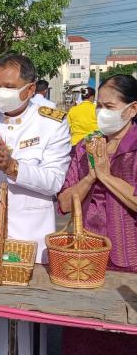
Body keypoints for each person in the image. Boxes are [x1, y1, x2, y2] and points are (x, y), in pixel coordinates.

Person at [0, 54, 71, 355]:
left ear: (30, 89)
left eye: (9, 86)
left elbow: (53, 181)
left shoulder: (51, 122)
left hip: (28, 239)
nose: (0, 92)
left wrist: (13, 167)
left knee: (29, 327)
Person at [57, 74, 137, 355]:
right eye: (98, 107)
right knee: (83, 337)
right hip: (85, 260)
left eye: (110, 107)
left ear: (132, 109)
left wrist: (106, 175)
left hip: (130, 263)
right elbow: (65, 203)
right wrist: (92, 176)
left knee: (125, 336)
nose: (102, 113)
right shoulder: (84, 148)